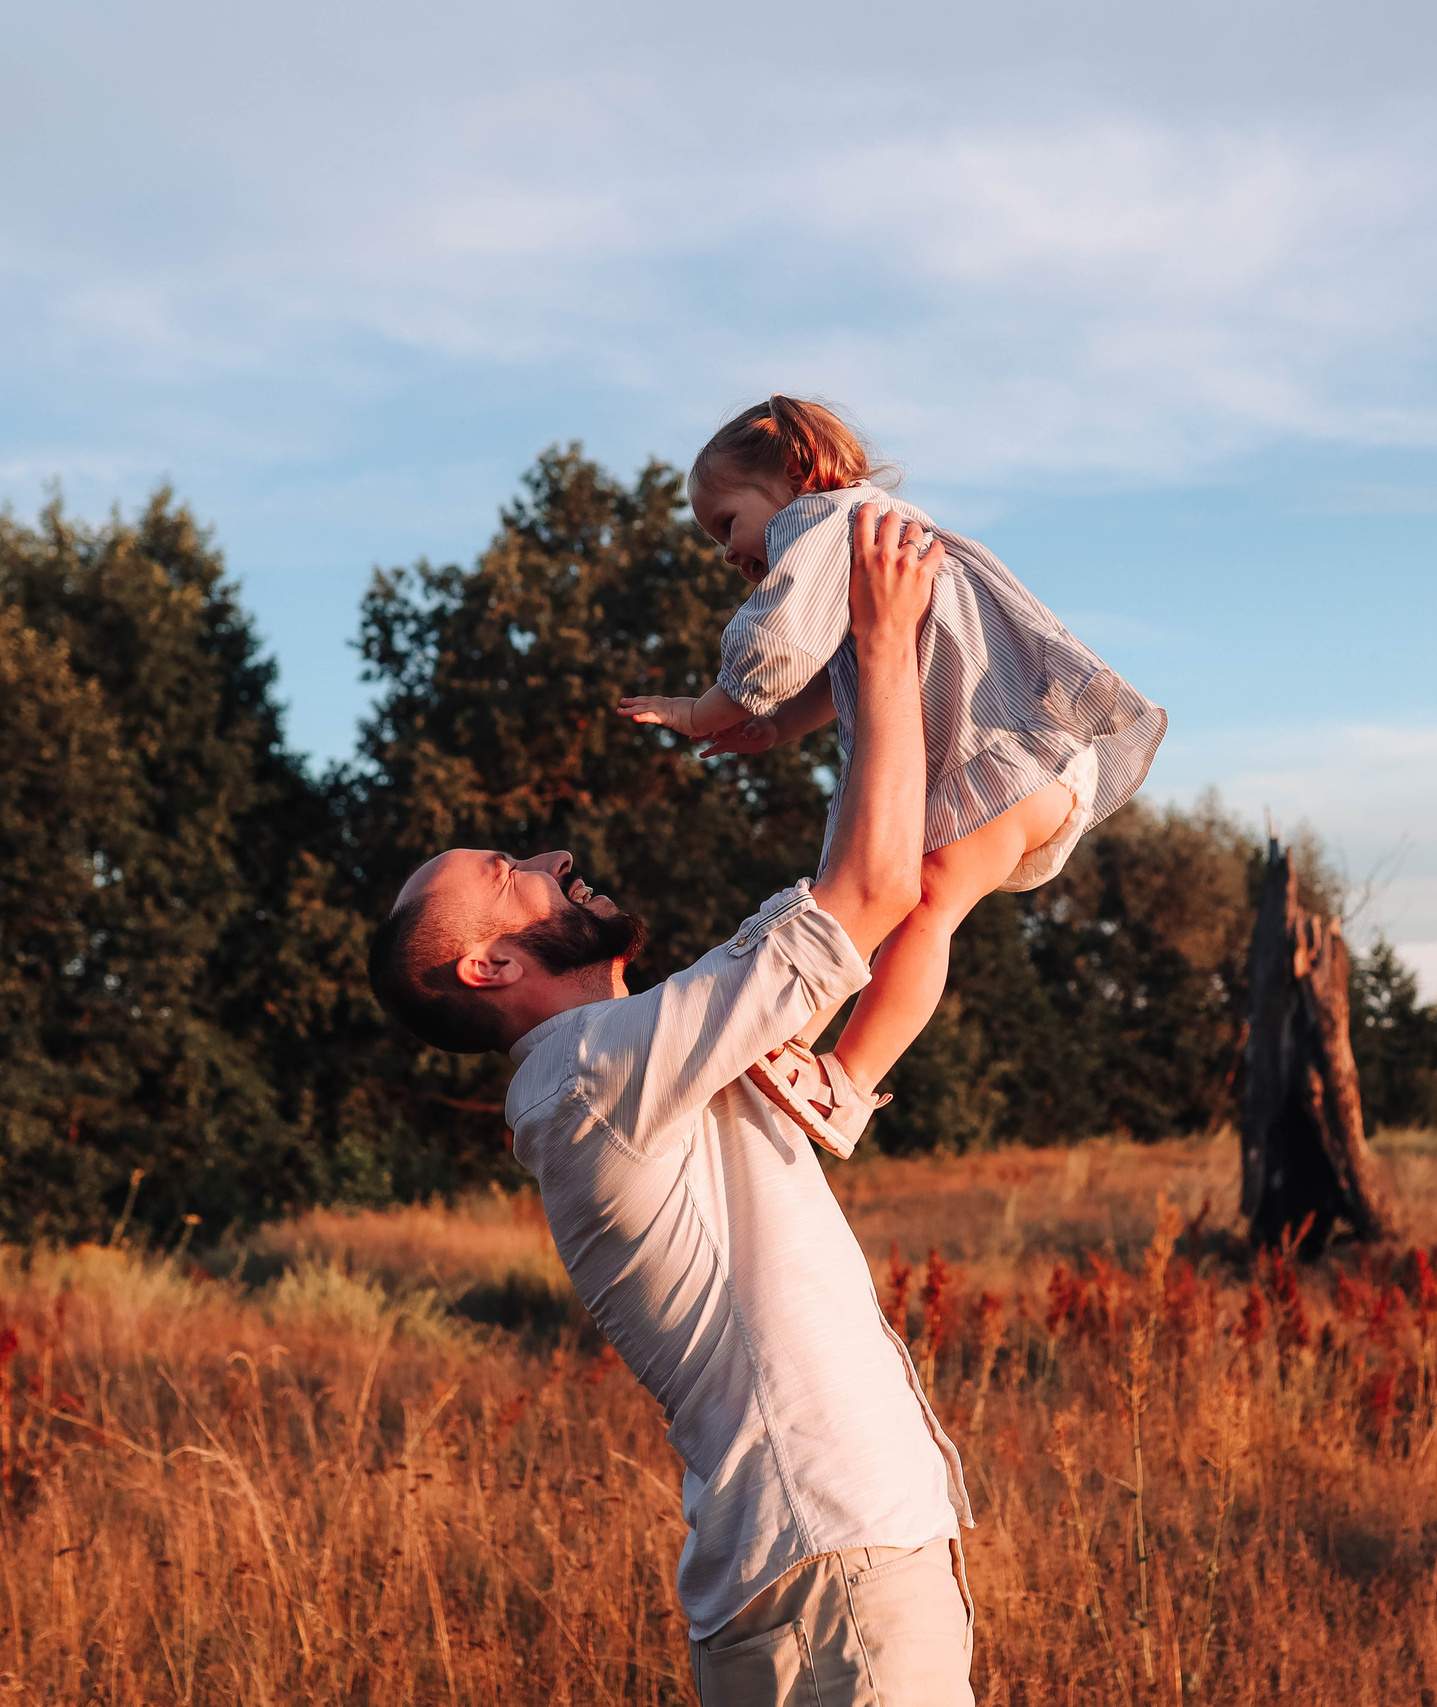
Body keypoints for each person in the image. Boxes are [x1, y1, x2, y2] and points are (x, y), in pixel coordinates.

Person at [368, 504, 976, 1707]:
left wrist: (832, 700)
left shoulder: (638, 1066)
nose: (546, 859)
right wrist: (882, 639)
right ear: (489, 968)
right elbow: (868, 885)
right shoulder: (581, 1073)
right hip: (832, 1565)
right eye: (509, 876)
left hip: (829, 1559)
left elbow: (857, 908)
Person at [617, 396, 1167, 1154]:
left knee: (920, 900)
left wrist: (700, 710)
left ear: (793, 476)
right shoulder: (868, 529)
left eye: (724, 522)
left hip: (1004, 748)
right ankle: (794, 1057)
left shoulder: (818, 521)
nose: (723, 550)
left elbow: (776, 643)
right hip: (1031, 759)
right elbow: (833, 661)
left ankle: (843, 1078)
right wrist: (776, 726)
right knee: (918, 903)